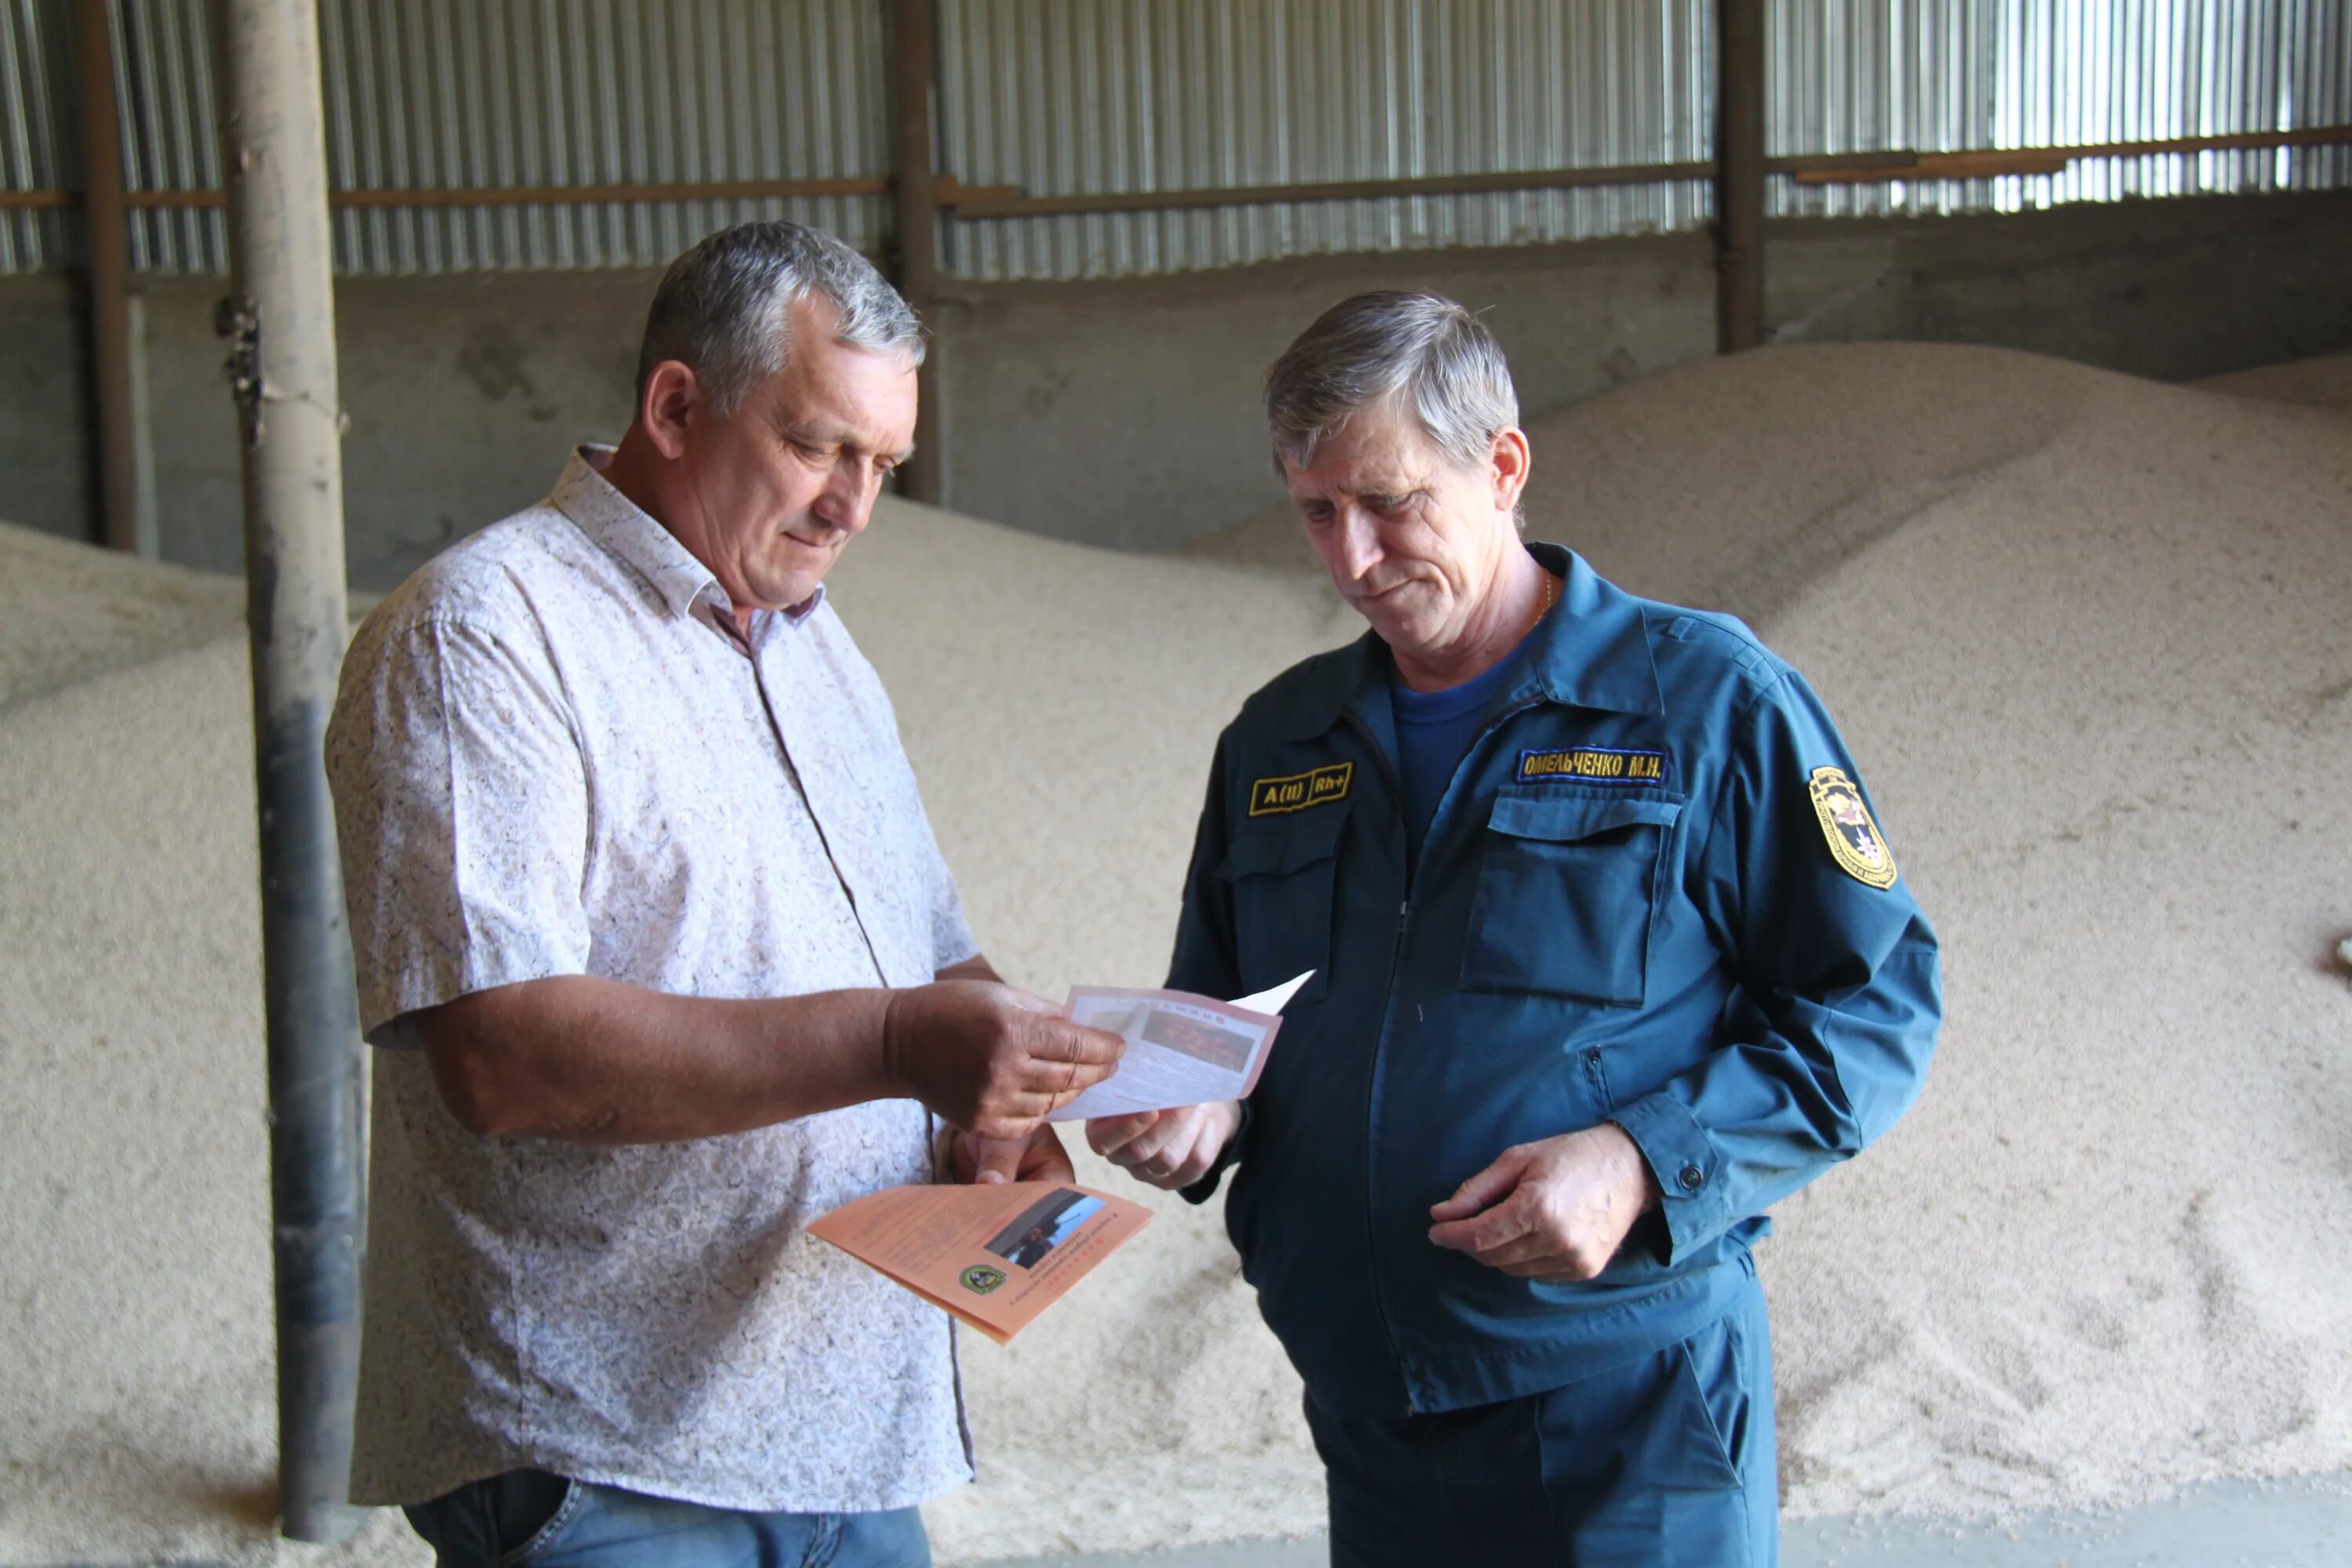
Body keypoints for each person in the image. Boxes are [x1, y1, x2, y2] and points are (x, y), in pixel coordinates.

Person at [1088, 292, 1941, 1566]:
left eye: (1393, 502)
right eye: (1319, 511)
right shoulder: (1279, 741)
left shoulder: (1701, 703)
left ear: (1502, 467)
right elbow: (1222, 1014)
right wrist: (1193, 1103)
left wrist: (1644, 1160)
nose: (1355, 559)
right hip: (1374, 1417)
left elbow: (1875, 1008)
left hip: (1629, 1424)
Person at [325, 221, 1121, 1568]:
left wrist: (1007, 1086)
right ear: (678, 407)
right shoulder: (487, 632)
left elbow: (927, 955)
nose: (854, 507)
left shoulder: (816, 647)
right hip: (607, 1454)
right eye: (819, 446)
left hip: (842, 1433)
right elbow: (500, 1054)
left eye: (882, 465)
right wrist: (892, 1045)